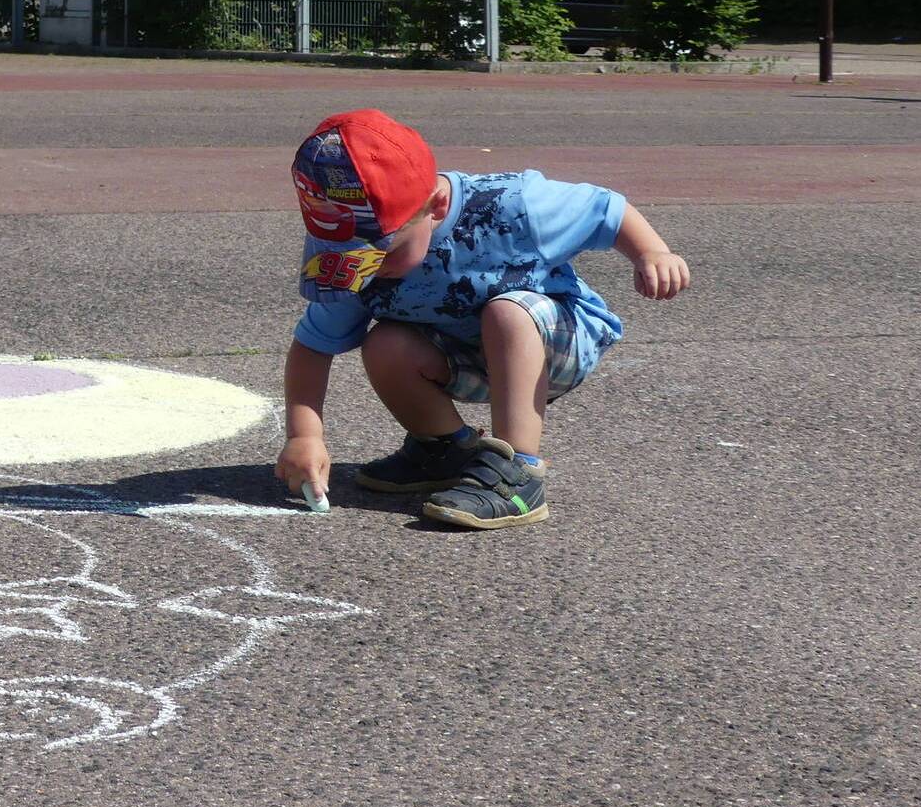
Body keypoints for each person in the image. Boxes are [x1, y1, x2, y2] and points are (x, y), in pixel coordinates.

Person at [273, 109, 688, 530]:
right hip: (465, 357)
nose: (372, 268)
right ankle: (445, 450)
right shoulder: (358, 264)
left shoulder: (511, 206)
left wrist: (652, 252)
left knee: (507, 311)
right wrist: (304, 436)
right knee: (385, 343)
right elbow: (312, 347)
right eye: (355, 257)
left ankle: (519, 473)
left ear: (436, 205)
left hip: (555, 342)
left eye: (385, 251)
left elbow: (605, 209)